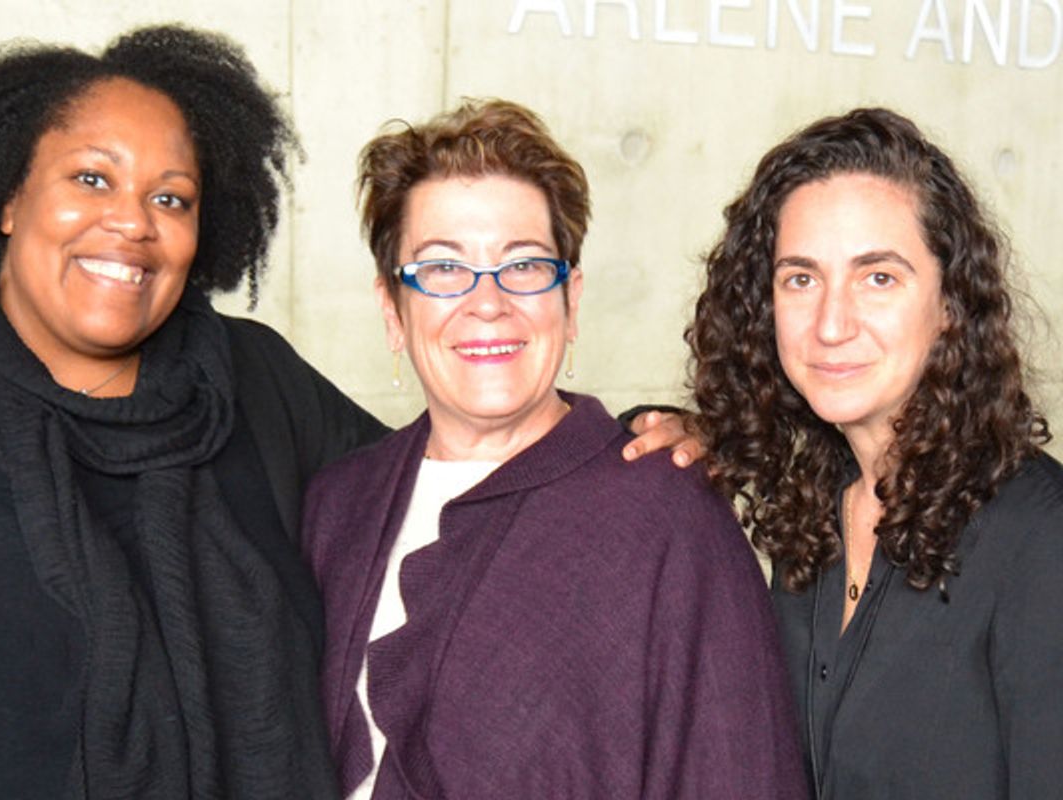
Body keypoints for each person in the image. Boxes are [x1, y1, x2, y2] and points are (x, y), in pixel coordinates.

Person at [0, 26, 391, 798]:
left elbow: (453, 505)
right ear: (9, 198)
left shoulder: (257, 381)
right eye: (91, 179)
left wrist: (625, 449)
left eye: (170, 197)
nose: (134, 222)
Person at [301, 99, 806, 799]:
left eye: (525, 266)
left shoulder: (664, 511)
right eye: (443, 268)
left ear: (570, 301)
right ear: (393, 311)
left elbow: (736, 766)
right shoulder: (339, 505)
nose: (487, 302)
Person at [686, 107, 1063, 799]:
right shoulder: (812, 512)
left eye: (878, 277)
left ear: (951, 301)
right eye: (800, 278)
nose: (831, 323)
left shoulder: (1043, 541)